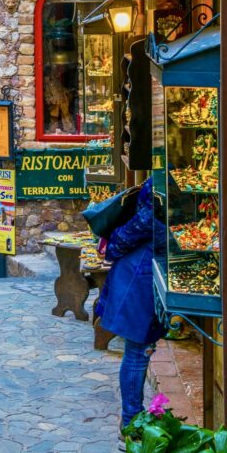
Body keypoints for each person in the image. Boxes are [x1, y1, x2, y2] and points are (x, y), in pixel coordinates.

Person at [96, 178, 166, 435]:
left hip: (140, 272)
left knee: (138, 351)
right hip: (139, 276)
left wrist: (112, 246)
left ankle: (132, 420)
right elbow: (140, 228)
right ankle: (131, 424)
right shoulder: (160, 187)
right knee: (137, 352)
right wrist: (112, 246)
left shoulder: (158, 184)